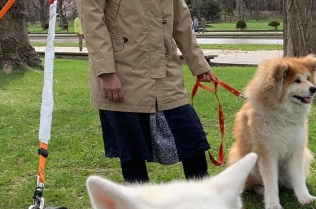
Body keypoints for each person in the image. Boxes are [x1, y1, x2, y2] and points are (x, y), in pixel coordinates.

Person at [76, 0, 216, 183]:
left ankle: (205, 201)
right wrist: (106, 73)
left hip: (166, 74)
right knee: (131, 154)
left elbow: (181, 21)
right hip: (122, 74)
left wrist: (200, 65)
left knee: (193, 142)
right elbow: (91, 21)